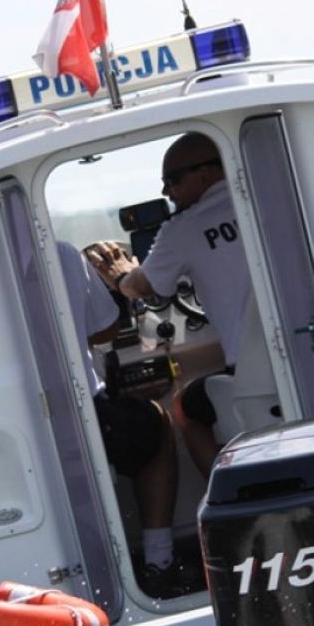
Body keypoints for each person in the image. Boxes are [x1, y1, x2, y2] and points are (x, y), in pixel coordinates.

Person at [88, 132, 251, 476]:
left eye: (172, 180)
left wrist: (120, 275)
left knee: (185, 408)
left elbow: (141, 287)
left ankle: (227, 501)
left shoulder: (184, 228)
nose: (166, 193)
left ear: (205, 174)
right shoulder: (264, 198)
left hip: (250, 374)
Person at [56, 240, 196, 598]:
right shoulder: (60, 252)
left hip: (38, 421)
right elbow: (106, 330)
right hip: (84, 407)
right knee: (155, 422)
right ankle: (159, 562)